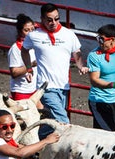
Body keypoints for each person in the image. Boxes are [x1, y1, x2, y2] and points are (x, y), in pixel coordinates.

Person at [21, 3, 88, 138]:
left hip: (63, 86)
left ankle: (33, 143)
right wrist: (28, 68)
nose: (53, 22)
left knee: (51, 122)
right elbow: (24, 50)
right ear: (42, 19)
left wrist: (81, 66)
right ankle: (71, 147)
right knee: (63, 122)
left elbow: (77, 52)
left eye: (56, 19)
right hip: (46, 87)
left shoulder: (68, 34)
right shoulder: (34, 35)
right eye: (49, 19)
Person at [87, 24, 115, 131]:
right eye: (98, 38)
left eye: (102, 39)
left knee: (110, 131)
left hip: (113, 100)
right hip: (98, 100)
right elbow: (94, 80)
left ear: (112, 40)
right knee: (105, 134)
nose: (99, 42)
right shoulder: (94, 56)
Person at [8, 13, 43, 109]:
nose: (31, 33)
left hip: (33, 89)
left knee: (42, 114)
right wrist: (31, 65)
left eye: (32, 29)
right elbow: (14, 72)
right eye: (26, 30)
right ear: (20, 31)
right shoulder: (15, 49)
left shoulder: (35, 45)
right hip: (21, 91)